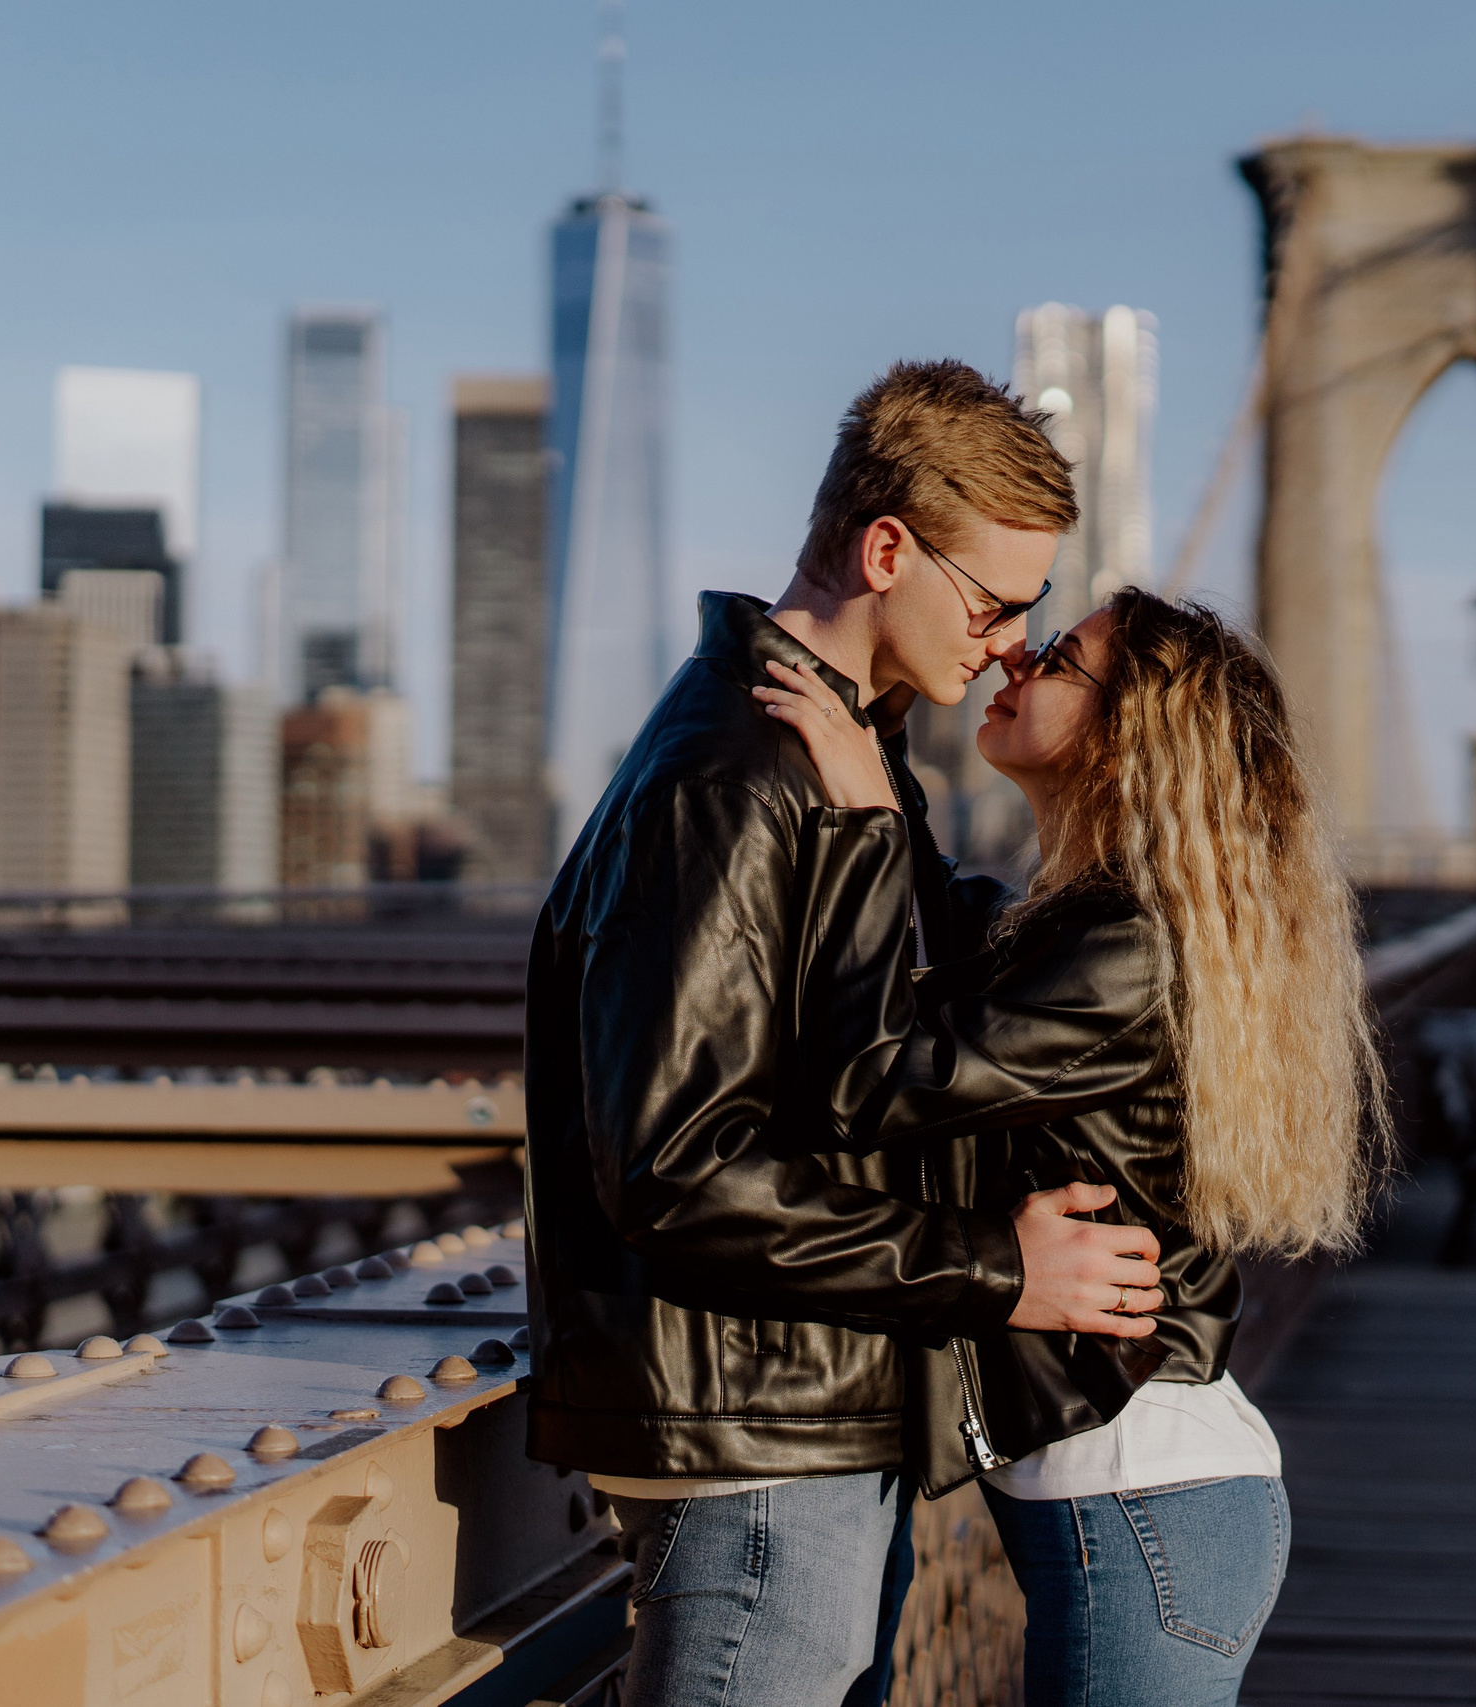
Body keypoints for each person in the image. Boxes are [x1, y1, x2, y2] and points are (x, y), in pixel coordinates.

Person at [524, 361, 1173, 1707]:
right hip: (760, 1441)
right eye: (995, 604)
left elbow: (899, 1017)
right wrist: (1002, 1265)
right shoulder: (733, 783)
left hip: (806, 1410)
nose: (1007, 645)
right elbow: (677, 1166)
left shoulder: (840, 758)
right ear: (888, 549)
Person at [754, 587, 1392, 1707]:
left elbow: (877, 1080)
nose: (1012, 659)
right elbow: (943, 925)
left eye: (1056, 656)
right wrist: (880, 742)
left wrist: (859, 824)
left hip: (1147, 1508)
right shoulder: (1085, 925)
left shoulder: (1123, 951)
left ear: (1128, 732)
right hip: (1151, 1504)